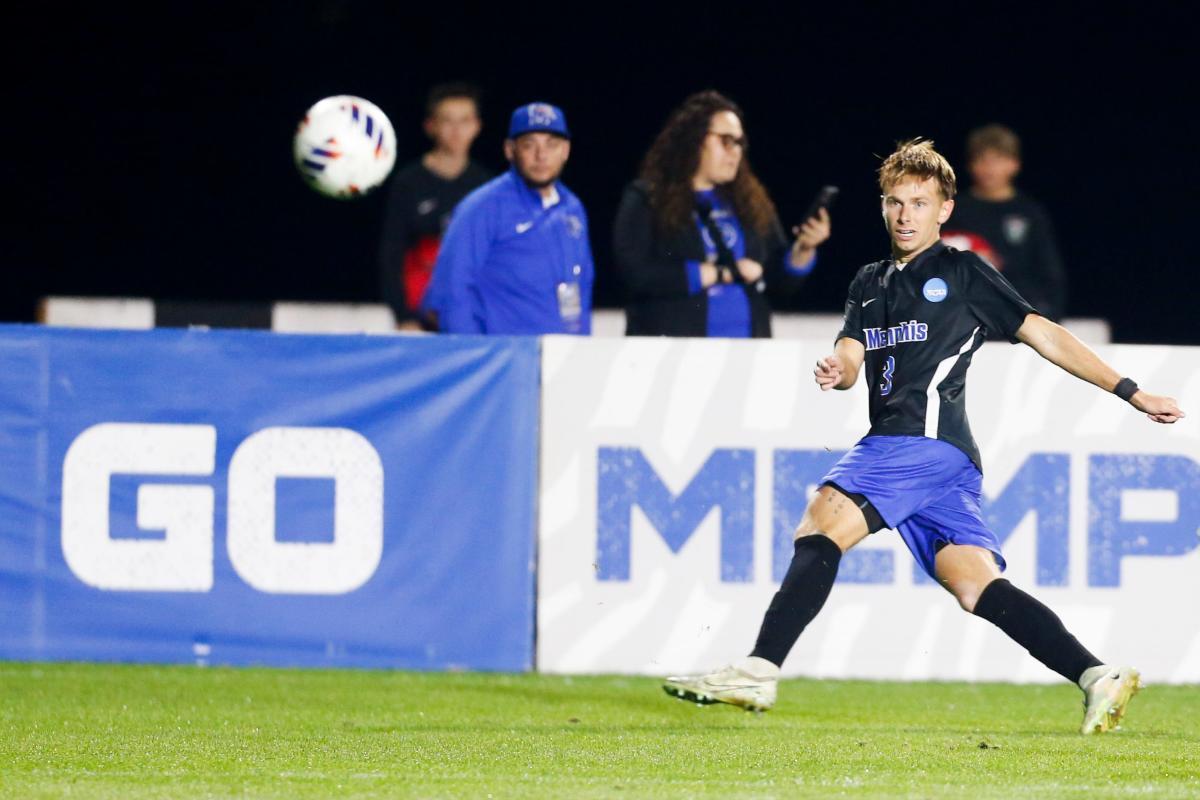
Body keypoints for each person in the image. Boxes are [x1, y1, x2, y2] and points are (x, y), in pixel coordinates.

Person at [663, 139, 1184, 734]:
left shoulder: (961, 272)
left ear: (944, 209)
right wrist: (840, 370)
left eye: (919, 202)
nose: (905, 214)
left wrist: (1131, 391)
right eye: (894, 202)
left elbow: (1044, 334)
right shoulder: (868, 281)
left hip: (920, 442)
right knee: (972, 583)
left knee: (821, 520)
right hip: (943, 462)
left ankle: (758, 668)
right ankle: (1097, 674)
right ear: (883, 208)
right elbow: (852, 352)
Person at [614, 91, 830, 337]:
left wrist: (803, 249)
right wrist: (719, 273)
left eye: (740, 143)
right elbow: (636, 274)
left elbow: (777, 282)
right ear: (694, 140)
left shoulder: (749, 202)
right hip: (675, 355)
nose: (735, 151)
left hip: (745, 353)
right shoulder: (647, 198)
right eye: (726, 140)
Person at [421, 102, 593, 334]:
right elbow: (452, 289)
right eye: (529, 145)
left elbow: (581, 287)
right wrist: (475, 355)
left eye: (551, 145)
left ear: (566, 151)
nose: (541, 155)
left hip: (560, 357)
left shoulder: (573, 208)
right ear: (510, 150)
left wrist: (580, 348)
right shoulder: (482, 207)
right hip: (504, 359)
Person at [377, 83, 492, 330]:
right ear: (431, 126)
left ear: (477, 126)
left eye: (464, 121)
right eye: (447, 121)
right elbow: (391, 255)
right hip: (419, 319)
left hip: (470, 319)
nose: (456, 131)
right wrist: (403, 317)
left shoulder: (486, 186)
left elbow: (491, 259)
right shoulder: (408, 182)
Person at [940, 124, 1068, 321]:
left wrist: (1047, 317)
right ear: (970, 164)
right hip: (966, 314)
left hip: (1020, 313)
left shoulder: (1030, 212)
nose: (989, 169)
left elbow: (1050, 273)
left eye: (998, 160)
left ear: (1014, 164)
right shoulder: (953, 209)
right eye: (981, 160)